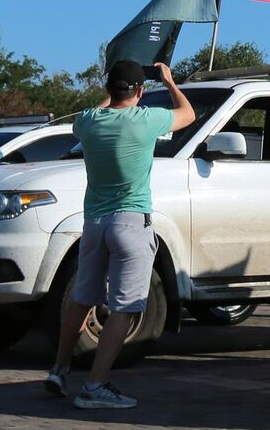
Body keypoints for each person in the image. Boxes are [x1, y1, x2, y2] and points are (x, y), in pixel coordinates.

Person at [45, 60, 194, 410]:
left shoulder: (88, 122)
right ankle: (94, 386)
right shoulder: (146, 119)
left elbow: (97, 112)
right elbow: (188, 114)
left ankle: (59, 369)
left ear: (108, 89)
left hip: (94, 224)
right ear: (140, 91)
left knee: (82, 300)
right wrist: (169, 81)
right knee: (123, 308)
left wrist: (111, 95)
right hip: (130, 223)